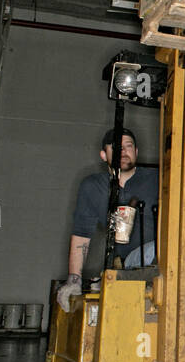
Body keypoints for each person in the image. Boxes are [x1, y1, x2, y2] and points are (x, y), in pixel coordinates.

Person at [58, 128, 158, 311]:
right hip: (127, 264)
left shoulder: (157, 179)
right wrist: (74, 279)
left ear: (136, 152)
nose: (124, 152)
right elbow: (81, 234)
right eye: (116, 148)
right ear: (103, 155)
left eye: (128, 147)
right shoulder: (93, 186)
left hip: (162, 260)